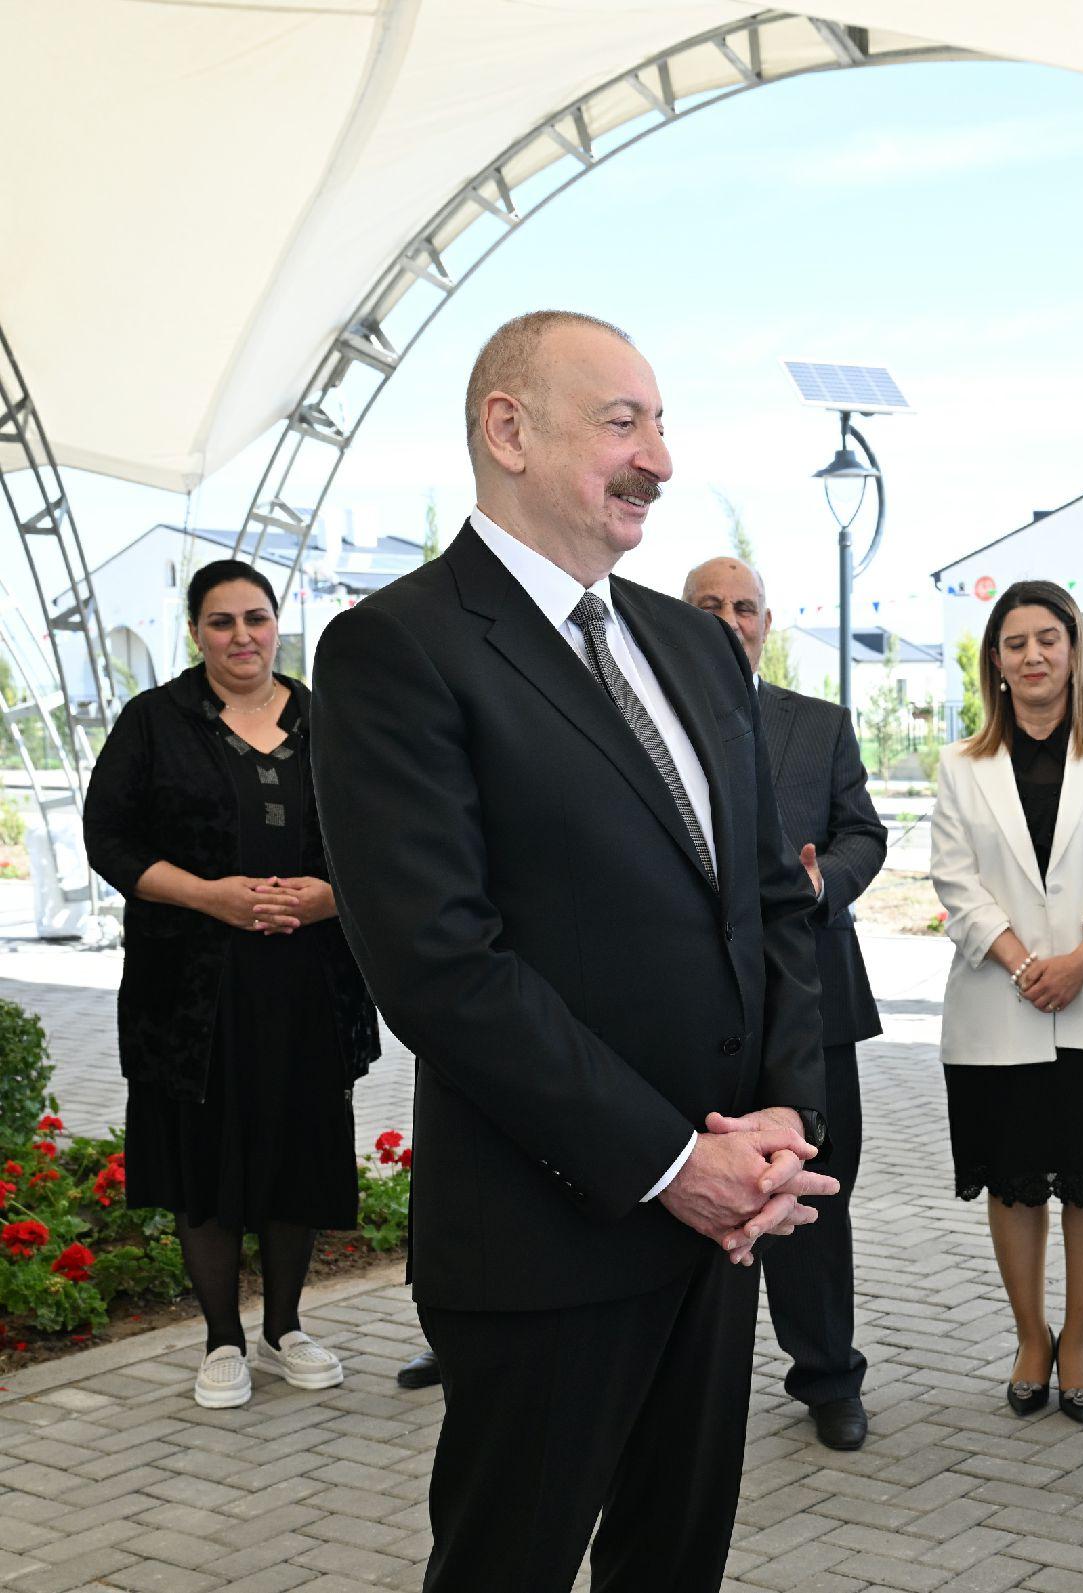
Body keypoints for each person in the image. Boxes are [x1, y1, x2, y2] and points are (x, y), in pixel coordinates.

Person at [311, 310, 837, 1593]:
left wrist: (780, 1122)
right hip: (547, 1243)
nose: (660, 457)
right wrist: (670, 1164)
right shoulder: (397, 648)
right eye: (622, 422)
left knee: (675, 1566)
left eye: (661, 423)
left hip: (721, 1233)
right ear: (508, 429)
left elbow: (772, 905)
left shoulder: (692, 644)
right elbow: (439, 963)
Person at [82, 559, 380, 1411]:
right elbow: (109, 838)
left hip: (310, 981)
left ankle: (286, 1327)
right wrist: (209, 895)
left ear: (277, 623)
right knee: (203, 1158)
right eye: (222, 621)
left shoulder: (331, 720)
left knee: (298, 1153)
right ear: (195, 632)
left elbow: (386, 833)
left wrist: (331, 896)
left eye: (256, 617)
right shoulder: (154, 721)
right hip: (192, 990)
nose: (242, 636)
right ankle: (221, 1339)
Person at [930, 579, 1083, 1425]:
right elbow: (954, 881)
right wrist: (1026, 963)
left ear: (1075, 651)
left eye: (1048, 639)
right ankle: (1031, 1337)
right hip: (999, 1006)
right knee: (1017, 1179)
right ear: (995, 663)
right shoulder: (961, 764)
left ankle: (1080, 1340)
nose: (1032, 655)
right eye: (1015, 642)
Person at [687, 554, 888, 1452]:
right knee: (701, 1187)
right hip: (695, 1003)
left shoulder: (820, 723)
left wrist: (820, 883)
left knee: (815, 1195)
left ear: (767, 623)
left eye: (745, 606)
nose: (729, 619)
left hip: (816, 997)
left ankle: (828, 1376)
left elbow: (865, 834)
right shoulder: (648, 719)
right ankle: (696, 1383)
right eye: (709, 605)